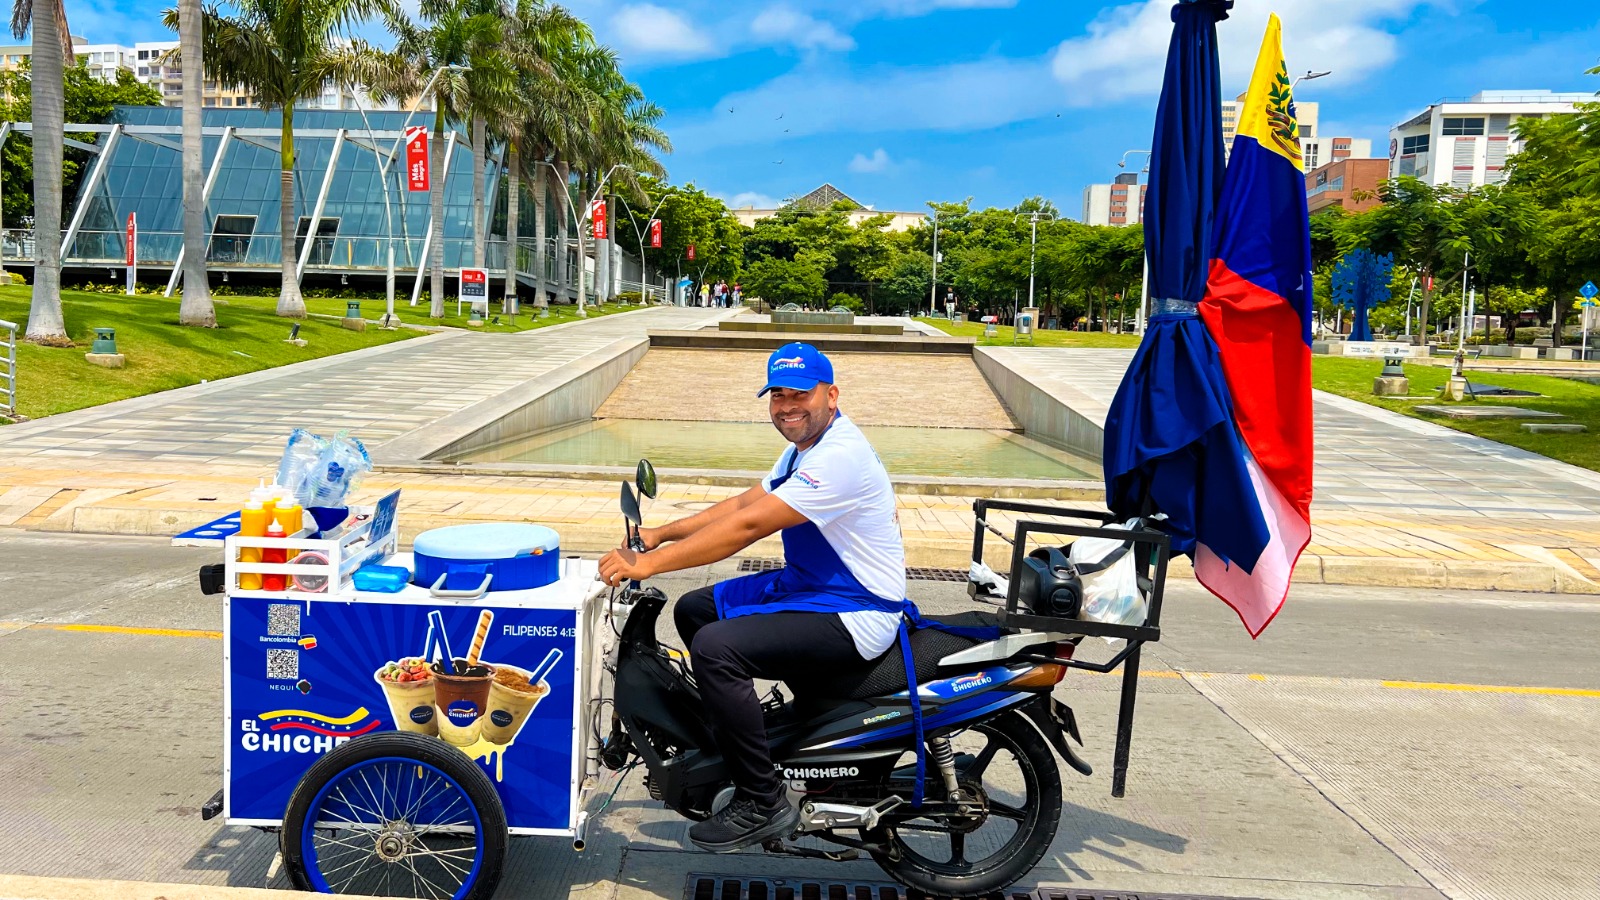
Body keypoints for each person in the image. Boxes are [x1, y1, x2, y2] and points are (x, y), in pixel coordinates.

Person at [599, 343, 906, 853]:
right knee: (695, 609)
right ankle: (739, 734)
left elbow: (747, 526)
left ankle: (762, 799)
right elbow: (747, 500)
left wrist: (647, 564)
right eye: (777, 395)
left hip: (856, 609)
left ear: (832, 395)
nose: (787, 405)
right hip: (813, 588)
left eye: (800, 393)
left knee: (717, 649)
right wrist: (661, 533)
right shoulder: (803, 448)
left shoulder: (839, 457)